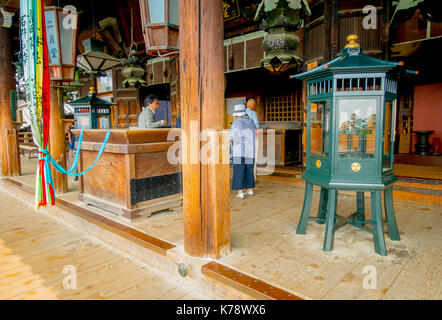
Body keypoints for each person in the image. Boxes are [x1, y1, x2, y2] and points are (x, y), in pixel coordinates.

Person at [229, 104, 256, 199]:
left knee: (238, 170)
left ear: (237, 115)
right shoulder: (251, 122)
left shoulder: (236, 123)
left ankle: (240, 192)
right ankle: (249, 190)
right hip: (250, 151)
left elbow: (230, 137)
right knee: (249, 169)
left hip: (238, 152)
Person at [245, 97, 259, 179]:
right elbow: (256, 125)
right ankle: (252, 177)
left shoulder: (241, 113)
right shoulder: (253, 113)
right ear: (253, 106)